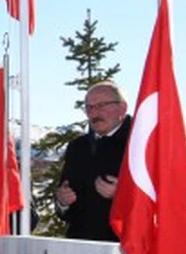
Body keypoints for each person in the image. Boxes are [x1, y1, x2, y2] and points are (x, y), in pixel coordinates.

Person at [56, 81, 132, 241]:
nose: (94, 113)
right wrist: (63, 202)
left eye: (102, 105)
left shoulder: (141, 144)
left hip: (126, 249)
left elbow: (162, 201)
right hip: (80, 246)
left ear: (123, 108)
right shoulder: (78, 147)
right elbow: (64, 204)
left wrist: (122, 195)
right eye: (89, 108)